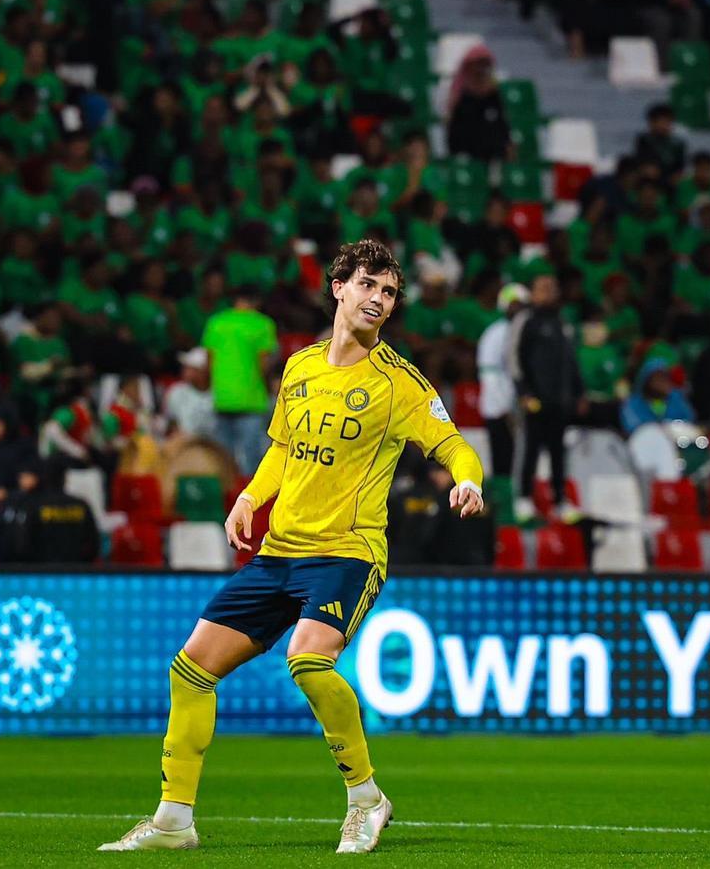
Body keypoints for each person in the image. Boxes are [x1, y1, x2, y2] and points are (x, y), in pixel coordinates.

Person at [98, 240, 484, 855]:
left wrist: (468, 478)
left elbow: (454, 444)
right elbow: (282, 448)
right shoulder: (300, 367)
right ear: (338, 287)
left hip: (348, 552)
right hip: (279, 553)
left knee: (308, 661)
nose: (378, 300)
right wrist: (250, 497)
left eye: (388, 292)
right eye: (367, 285)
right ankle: (173, 820)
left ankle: (366, 800)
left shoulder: (399, 383)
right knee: (191, 670)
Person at [514, 274, 582, 523]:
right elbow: (515, 358)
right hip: (535, 399)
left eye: (552, 288)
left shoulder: (563, 323)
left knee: (557, 453)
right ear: (532, 294)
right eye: (543, 288)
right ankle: (523, 498)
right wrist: (523, 392)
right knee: (530, 450)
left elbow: (571, 361)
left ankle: (560, 501)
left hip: (559, 400)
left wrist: (578, 392)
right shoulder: (526, 321)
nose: (549, 293)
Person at [201, 287, 278, 475]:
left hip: (222, 398)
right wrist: (269, 389)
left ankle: (225, 498)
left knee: (223, 458)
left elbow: (209, 361)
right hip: (251, 399)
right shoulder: (263, 324)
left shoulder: (216, 322)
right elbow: (264, 364)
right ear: (256, 301)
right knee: (250, 461)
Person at [0, 457, 100, 564]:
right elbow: (94, 545)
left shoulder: (29, 505)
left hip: (38, 575)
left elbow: (20, 545)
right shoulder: (81, 505)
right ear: (64, 478)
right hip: (77, 576)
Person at [477, 283, 529, 480]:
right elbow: (489, 373)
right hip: (498, 409)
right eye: (513, 304)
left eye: (522, 305)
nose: (518, 309)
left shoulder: (523, 331)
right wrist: (503, 407)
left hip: (517, 407)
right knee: (502, 460)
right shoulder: (496, 333)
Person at [620, 357, 696, 435]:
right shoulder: (633, 403)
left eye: (665, 377)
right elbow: (632, 426)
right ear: (647, 382)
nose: (663, 382)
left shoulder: (675, 398)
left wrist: (670, 426)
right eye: (658, 378)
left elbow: (689, 419)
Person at [163, 347, 217, 440]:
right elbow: (171, 423)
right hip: (186, 448)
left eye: (190, 368)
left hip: (214, 449)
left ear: (203, 372)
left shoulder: (219, 395)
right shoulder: (176, 392)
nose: (184, 370)